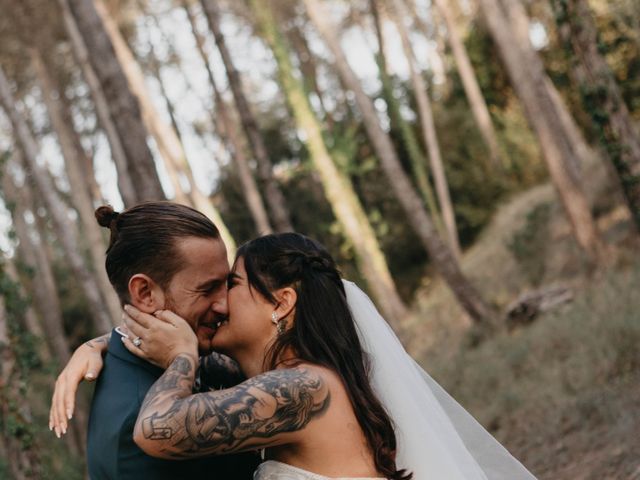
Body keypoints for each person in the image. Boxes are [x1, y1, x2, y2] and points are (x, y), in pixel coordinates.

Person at [119, 233, 537, 479]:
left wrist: (180, 358)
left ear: (281, 303)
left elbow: (155, 430)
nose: (222, 302)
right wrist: (104, 345)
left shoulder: (304, 387)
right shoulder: (306, 381)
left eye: (234, 283)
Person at [49, 202, 258, 480]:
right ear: (145, 293)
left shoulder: (193, 344)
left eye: (227, 284)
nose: (224, 305)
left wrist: (96, 342)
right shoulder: (135, 428)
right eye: (207, 289)